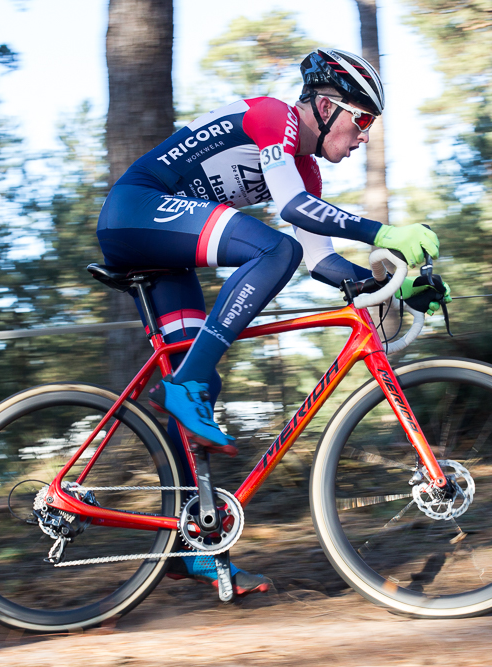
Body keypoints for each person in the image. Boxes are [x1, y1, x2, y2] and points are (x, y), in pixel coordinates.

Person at [96, 48, 450, 596]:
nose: (364, 137)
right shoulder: (273, 118)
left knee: (200, 373)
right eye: (362, 121)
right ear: (326, 107)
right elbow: (291, 213)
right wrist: (382, 233)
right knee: (272, 250)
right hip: (136, 210)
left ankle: (192, 545)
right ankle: (186, 387)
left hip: (165, 248)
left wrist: (397, 284)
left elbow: (322, 261)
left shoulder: (305, 169)